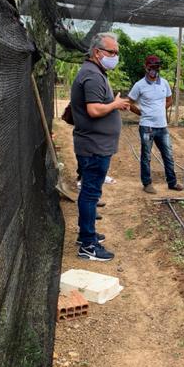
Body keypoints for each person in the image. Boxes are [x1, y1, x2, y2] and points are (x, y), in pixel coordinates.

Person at [71, 32, 131, 261]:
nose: (115, 56)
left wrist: (113, 105)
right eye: (111, 52)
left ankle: (87, 235)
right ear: (97, 52)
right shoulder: (92, 75)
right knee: (90, 194)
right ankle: (88, 246)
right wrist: (114, 104)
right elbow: (94, 110)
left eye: (116, 52)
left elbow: (99, 106)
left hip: (95, 144)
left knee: (90, 193)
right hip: (94, 146)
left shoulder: (95, 72)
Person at [128, 55, 184, 194]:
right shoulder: (139, 85)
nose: (154, 70)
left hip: (162, 127)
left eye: (157, 67)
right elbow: (129, 103)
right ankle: (147, 183)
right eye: (152, 67)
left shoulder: (164, 83)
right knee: (146, 156)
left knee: (168, 155)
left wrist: (159, 110)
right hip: (146, 126)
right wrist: (142, 113)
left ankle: (172, 183)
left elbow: (170, 100)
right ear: (146, 67)